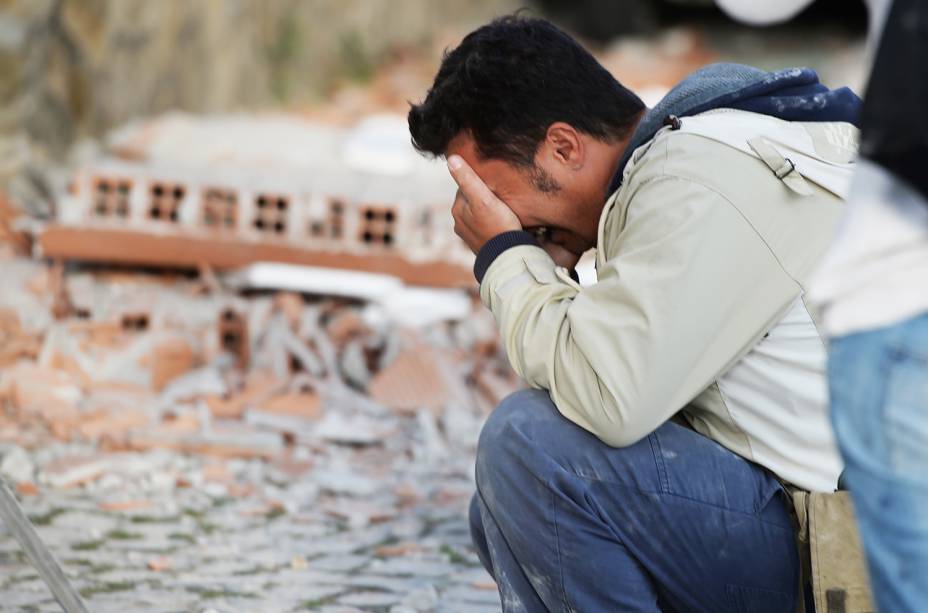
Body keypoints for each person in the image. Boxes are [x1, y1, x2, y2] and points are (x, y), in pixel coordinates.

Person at [409, 16, 861, 612]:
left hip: (862, 549)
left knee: (528, 455)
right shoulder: (707, 153)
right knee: (507, 500)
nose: (508, 221)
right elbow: (587, 404)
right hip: (844, 522)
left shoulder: (698, 179)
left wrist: (506, 258)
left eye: (499, 198)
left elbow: (609, 400)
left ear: (564, 147)